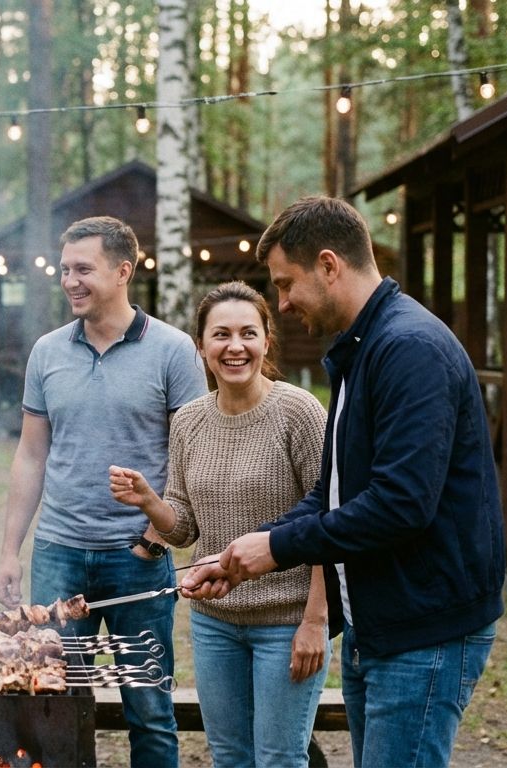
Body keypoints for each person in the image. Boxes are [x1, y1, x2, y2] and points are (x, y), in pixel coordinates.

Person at [185, 196, 505, 768]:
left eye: (286, 284)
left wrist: (277, 547)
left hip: (423, 632)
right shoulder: (362, 351)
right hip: (376, 624)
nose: (281, 304)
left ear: (329, 266)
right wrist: (241, 553)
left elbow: (401, 504)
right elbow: (331, 493)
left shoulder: (409, 349)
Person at [0, 216, 205, 768]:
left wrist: (155, 542)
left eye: (83, 269)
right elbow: (31, 454)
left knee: (150, 712)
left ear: (123, 271)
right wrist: (11, 550)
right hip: (59, 554)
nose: (69, 281)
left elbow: (190, 460)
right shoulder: (47, 352)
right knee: (55, 706)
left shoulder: (174, 351)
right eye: (65, 270)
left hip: (136, 560)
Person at [109, 280, 330, 768]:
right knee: (229, 757)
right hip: (214, 625)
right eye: (221, 335)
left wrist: (316, 620)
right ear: (202, 346)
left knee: (278, 759)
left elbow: (329, 521)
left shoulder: (299, 412)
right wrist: (149, 501)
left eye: (248, 333)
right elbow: (185, 526)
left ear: (267, 341)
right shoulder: (188, 420)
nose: (235, 347)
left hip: (286, 621)